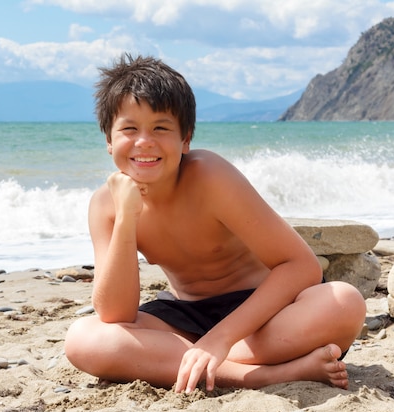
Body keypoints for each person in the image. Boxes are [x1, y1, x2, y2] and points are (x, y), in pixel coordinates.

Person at [64, 53, 366, 394]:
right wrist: (126, 217)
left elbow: (301, 267)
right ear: (108, 140)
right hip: (187, 319)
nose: (144, 141)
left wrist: (219, 340)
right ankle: (267, 375)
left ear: (186, 138)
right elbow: (116, 313)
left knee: (344, 301)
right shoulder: (105, 205)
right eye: (129, 129)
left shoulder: (209, 176)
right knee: (83, 340)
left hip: (265, 314)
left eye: (160, 128)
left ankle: (208, 363)